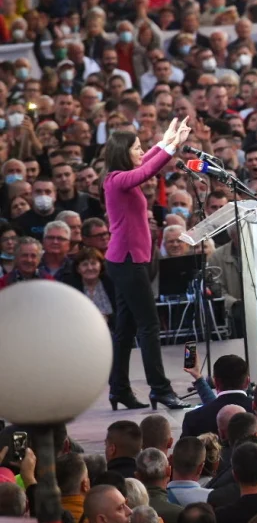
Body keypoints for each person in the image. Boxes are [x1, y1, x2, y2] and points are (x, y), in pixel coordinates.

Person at [103, 120, 193, 411]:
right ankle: (160, 389)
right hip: (127, 261)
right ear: (122, 152)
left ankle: (119, 389)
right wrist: (170, 146)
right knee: (149, 326)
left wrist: (164, 142)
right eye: (137, 148)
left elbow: (145, 164)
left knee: (126, 328)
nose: (142, 152)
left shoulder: (123, 176)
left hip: (130, 260)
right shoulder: (116, 179)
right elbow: (146, 170)